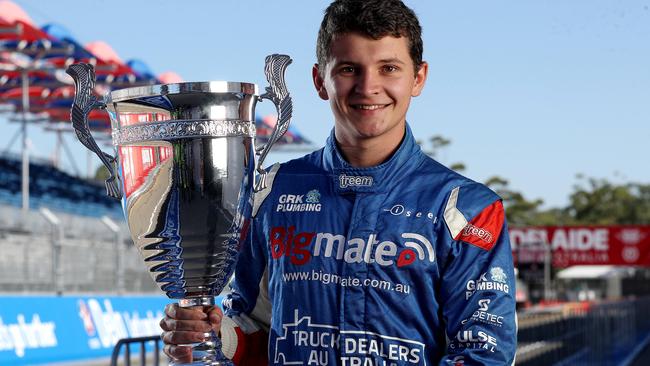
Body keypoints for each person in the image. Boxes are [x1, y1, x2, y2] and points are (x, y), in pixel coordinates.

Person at [160, 0, 517, 364]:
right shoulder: (269, 191)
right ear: (320, 80)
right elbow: (253, 327)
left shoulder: (468, 209)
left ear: (418, 78)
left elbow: (484, 353)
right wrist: (210, 336)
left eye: (389, 68)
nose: (368, 87)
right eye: (349, 69)